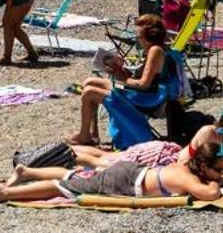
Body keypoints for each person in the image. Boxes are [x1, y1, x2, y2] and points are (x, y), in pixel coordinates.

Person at [0, 126, 223, 204]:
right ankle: (7, 192)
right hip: (124, 180)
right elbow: (210, 194)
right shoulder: (188, 179)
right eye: (218, 169)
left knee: (75, 175)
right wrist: (214, 181)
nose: (220, 174)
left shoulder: (185, 167)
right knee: (63, 187)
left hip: (131, 172)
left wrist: (213, 174)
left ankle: (28, 171)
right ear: (203, 167)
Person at [72, 13, 177, 146]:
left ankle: (84, 136)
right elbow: (145, 79)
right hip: (147, 92)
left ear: (148, 37)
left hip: (149, 99)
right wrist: (121, 72)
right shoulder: (156, 49)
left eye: (138, 36)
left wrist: (123, 79)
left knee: (89, 93)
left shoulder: (155, 51)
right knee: (90, 82)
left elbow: (144, 84)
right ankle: (92, 134)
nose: (137, 40)